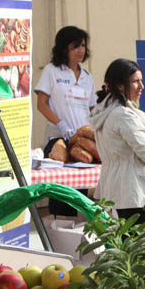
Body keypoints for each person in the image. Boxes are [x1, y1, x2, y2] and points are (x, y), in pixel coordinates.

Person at [89, 59, 145, 224]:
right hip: (135, 189)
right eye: (136, 82)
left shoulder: (105, 110)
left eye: (141, 81)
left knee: (127, 239)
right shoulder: (124, 115)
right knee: (139, 242)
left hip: (119, 186)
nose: (142, 86)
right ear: (120, 85)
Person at [34, 26, 98, 216]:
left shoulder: (87, 77)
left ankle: (74, 232)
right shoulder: (52, 71)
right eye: (75, 46)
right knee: (61, 193)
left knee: (79, 193)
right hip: (58, 138)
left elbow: (92, 108)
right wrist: (60, 123)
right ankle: (57, 230)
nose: (81, 51)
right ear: (64, 49)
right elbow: (42, 104)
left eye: (83, 46)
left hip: (82, 141)